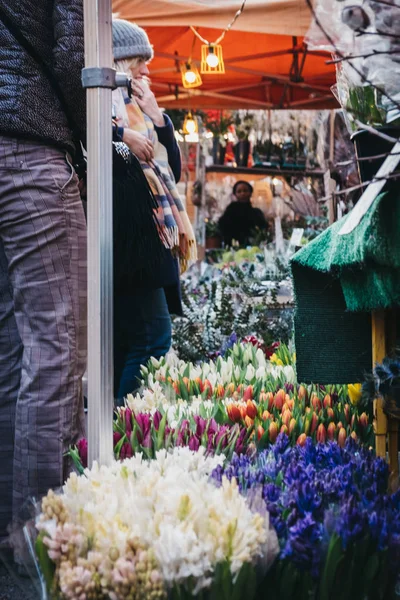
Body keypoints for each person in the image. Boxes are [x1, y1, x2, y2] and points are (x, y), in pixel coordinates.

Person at [0, 1, 87, 544]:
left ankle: (11, 527)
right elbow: (76, 52)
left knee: (11, 351)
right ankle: (37, 536)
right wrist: (94, 136)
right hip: (32, 154)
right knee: (55, 348)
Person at [112, 19, 196, 400]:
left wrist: (160, 120)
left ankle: (114, 432)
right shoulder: (104, 110)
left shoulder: (138, 109)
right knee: (152, 341)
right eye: (138, 61)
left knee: (131, 343)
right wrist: (120, 136)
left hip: (146, 242)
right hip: (130, 244)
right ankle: (120, 429)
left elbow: (172, 172)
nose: (147, 69)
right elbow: (87, 145)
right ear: (118, 62)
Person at [218, 180, 268, 246]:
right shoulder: (230, 211)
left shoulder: (256, 213)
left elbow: (263, 232)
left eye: (245, 191)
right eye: (239, 191)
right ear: (235, 194)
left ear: (250, 193)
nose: (242, 193)